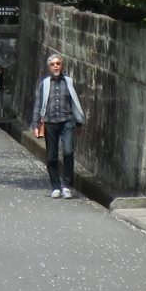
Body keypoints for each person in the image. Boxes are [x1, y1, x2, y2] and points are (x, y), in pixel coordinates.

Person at [31, 51, 87, 198]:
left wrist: (79, 122)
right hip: (50, 123)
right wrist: (36, 124)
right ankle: (55, 186)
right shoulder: (45, 84)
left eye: (58, 64)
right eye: (52, 64)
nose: (55, 66)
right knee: (51, 156)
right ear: (49, 67)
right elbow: (38, 104)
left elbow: (76, 102)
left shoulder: (69, 82)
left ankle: (67, 186)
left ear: (62, 66)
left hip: (67, 121)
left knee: (68, 152)